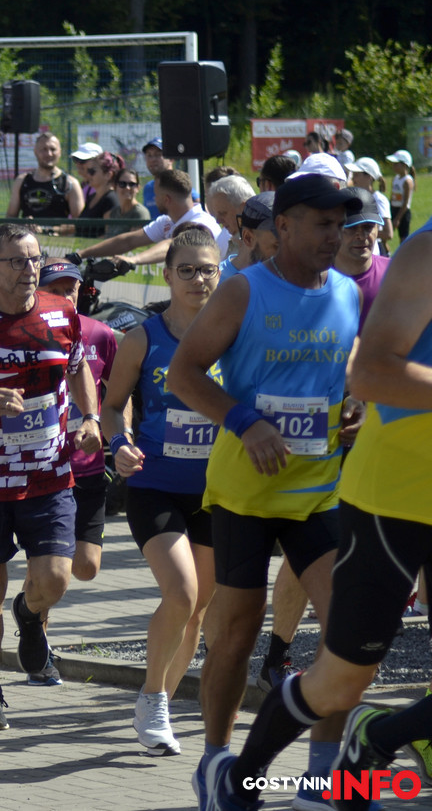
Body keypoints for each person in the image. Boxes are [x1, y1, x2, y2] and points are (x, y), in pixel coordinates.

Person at [200, 216, 432, 811]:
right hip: (394, 497)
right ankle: (238, 778)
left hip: (357, 491)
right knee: (340, 675)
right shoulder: (427, 250)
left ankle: (365, 749)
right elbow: (371, 372)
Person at [169, 176, 364, 810]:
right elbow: (183, 375)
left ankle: (321, 779)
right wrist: (245, 421)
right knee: (236, 633)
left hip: (318, 491)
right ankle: (216, 761)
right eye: (322, 224)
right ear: (283, 225)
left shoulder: (346, 292)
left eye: (340, 225)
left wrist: (354, 404)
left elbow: (344, 369)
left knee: (346, 631)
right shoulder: (243, 290)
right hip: (244, 496)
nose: (334, 236)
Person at [0, 223, 102, 729]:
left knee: (57, 578)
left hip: (48, 470)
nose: (29, 269)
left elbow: (78, 366)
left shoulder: (61, 311)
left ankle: (28, 612)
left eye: (35, 259)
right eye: (17, 261)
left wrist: (91, 418)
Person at [98, 229, 220, 757]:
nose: (197, 279)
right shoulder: (143, 339)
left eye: (207, 269)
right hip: (155, 486)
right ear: (166, 275)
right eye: (186, 270)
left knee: (196, 610)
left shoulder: (234, 337)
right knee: (182, 592)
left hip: (217, 491)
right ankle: (152, 698)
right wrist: (119, 443)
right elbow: (111, 406)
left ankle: (161, 702)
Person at [37, 260, 118, 589]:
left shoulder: (100, 334)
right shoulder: (26, 335)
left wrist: (121, 436)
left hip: (88, 468)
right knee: (48, 568)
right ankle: (35, 615)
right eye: (53, 290)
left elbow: (119, 393)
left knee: (86, 567)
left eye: (69, 290)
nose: (63, 297)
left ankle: (29, 604)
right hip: (44, 470)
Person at [76, 168, 224, 265]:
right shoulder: (167, 221)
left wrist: (133, 260)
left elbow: (172, 245)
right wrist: (80, 255)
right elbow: (129, 241)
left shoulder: (201, 223)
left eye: (156, 195)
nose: (154, 199)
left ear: (166, 199)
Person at [334, 187, 390, 327]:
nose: (361, 236)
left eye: (368, 227)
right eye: (351, 227)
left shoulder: (395, 273)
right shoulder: (315, 281)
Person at [7, 133, 84, 220]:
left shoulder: (69, 183)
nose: (49, 154)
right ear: (35, 151)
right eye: (44, 149)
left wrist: (53, 227)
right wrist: (24, 224)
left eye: (53, 149)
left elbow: (79, 223)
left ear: (60, 152)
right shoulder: (21, 181)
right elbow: (10, 217)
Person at [218, 191, 278, 281]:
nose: (287, 254)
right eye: (277, 246)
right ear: (248, 238)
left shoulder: (293, 281)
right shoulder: (215, 282)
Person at [345, 157, 394, 251]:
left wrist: (362, 233)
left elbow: (388, 233)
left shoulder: (379, 199)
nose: (353, 179)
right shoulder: (355, 198)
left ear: (369, 177)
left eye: (356, 175)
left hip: (374, 249)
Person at [73, 151, 122, 238]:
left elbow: (109, 235)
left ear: (108, 175)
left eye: (92, 171)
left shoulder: (111, 200)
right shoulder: (92, 197)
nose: (87, 175)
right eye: (87, 171)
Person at [386, 149, 416, 243]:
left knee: (403, 239)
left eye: (396, 164)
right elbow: (392, 197)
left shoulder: (407, 181)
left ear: (404, 165)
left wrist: (397, 219)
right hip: (393, 209)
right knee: (385, 234)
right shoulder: (395, 178)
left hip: (403, 212)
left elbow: (405, 203)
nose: (393, 166)